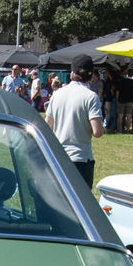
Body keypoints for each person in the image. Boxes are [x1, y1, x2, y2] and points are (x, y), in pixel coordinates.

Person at [44, 54, 104, 188]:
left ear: (72, 72)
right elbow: (98, 131)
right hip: (80, 159)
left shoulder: (57, 94)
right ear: (90, 74)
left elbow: (47, 126)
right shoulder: (90, 97)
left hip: (59, 158)